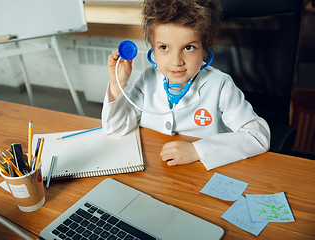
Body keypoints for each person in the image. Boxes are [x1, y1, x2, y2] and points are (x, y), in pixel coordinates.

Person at [101, 0, 270, 170]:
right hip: (155, 170)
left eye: (188, 47)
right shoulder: (147, 80)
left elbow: (258, 136)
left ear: (206, 46)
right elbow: (115, 129)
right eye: (164, 47)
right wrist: (118, 84)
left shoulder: (220, 85)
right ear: (153, 46)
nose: (176, 61)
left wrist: (198, 150)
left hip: (203, 172)